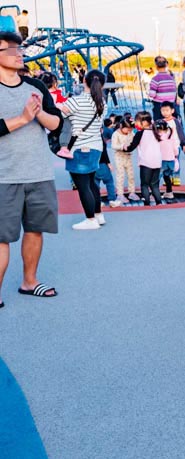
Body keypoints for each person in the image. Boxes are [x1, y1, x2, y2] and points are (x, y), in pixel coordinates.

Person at [0, 30, 64, 303]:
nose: (18, 53)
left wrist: (39, 114)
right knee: (1, 237)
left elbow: (57, 123)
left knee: (35, 229)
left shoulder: (35, 86)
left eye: (19, 48)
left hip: (39, 173)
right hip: (4, 176)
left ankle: (29, 281)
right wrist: (24, 117)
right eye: (10, 49)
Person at [57, 70, 107, 230]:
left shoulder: (76, 101)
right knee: (92, 183)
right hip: (96, 147)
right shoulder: (102, 104)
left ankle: (90, 219)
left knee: (83, 185)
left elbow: (60, 114)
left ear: (84, 80)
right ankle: (98, 215)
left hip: (79, 148)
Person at [123, 113, 166, 206]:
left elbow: (131, 147)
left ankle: (147, 203)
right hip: (157, 162)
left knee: (145, 184)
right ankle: (159, 202)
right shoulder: (156, 131)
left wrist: (125, 147)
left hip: (146, 162)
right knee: (154, 185)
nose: (136, 123)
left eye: (137, 121)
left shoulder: (140, 134)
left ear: (144, 122)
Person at [111, 115, 137, 203]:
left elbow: (134, 140)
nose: (129, 131)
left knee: (131, 175)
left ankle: (132, 192)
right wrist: (122, 146)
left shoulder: (131, 133)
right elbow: (113, 145)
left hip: (128, 156)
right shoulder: (116, 134)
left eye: (131, 129)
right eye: (128, 129)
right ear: (121, 126)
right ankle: (120, 194)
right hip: (119, 156)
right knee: (120, 175)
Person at [96, 115, 119, 207]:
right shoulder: (100, 138)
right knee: (109, 181)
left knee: (95, 184)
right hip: (102, 163)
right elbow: (104, 152)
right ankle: (112, 199)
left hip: (92, 164)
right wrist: (108, 163)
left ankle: (98, 201)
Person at [148, 56, 178, 120]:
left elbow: (152, 94)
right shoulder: (171, 78)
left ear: (156, 66)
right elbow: (174, 92)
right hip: (170, 106)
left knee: (159, 126)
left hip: (159, 107)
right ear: (166, 65)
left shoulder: (155, 79)